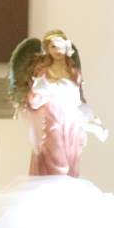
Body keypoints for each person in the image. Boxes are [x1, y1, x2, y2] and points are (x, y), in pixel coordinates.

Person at [8, 29, 107, 177]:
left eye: (60, 45)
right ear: (47, 49)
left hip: (71, 123)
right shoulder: (42, 73)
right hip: (51, 122)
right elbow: (33, 102)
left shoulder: (74, 74)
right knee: (59, 165)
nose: (57, 50)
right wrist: (48, 91)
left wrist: (88, 119)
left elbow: (80, 101)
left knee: (71, 163)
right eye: (53, 46)